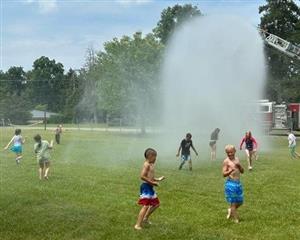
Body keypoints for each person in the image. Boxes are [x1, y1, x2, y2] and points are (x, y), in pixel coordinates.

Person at [134, 148, 165, 230]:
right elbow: (142, 176)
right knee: (146, 206)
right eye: (155, 157)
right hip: (146, 187)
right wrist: (152, 183)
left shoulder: (151, 165)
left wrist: (157, 179)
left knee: (156, 204)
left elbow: (150, 177)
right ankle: (137, 225)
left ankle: (145, 218)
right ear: (150, 156)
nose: (155, 159)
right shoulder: (146, 165)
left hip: (150, 187)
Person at [222, 145, 244, 223]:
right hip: (230, 184)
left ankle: (230, 210)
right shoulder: (226, 161)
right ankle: (236, 220)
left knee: (240, 201)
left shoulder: (237, 159)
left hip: (238, 183)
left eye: (231, 152)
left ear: (234, 151)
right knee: (233, 203)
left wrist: (239, 166)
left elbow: (242, 171)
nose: (230, 154)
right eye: (228, 152)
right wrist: (230, 171)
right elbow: (223, 174)